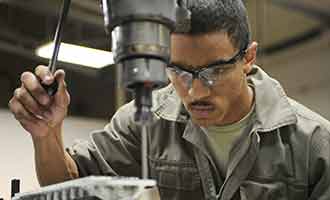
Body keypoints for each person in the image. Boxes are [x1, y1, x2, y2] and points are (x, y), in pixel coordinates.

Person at [8, 0, 330, 199]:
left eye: (214, 71)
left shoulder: (314, 146)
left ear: (248, 57)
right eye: (179, 71)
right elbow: (67, 183)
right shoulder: (142, 122)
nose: (195, 91)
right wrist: (46, 134)